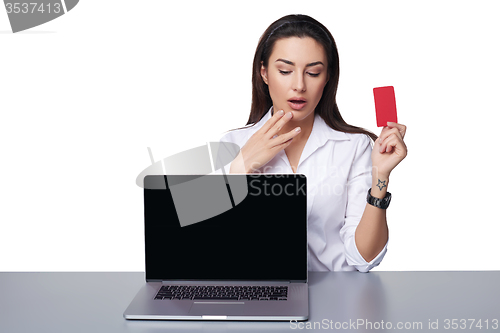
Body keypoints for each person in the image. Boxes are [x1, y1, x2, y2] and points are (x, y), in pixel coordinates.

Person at [219, 14, 407, 272]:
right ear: (263, 73)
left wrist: (381, 177)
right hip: (262, 295)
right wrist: (241, 168)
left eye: (313, 72)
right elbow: (218, 252)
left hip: (337, 297)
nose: (299, 85)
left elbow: (363, 259)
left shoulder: (354, 146)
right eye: (285, 71)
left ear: (327, 77)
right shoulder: (232, 143)